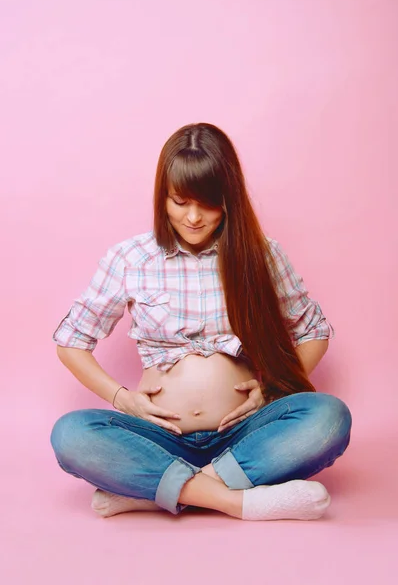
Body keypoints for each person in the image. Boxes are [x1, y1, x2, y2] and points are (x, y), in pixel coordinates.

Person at [50, 122, 352, 521]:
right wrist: (123, 400)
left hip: (244, 435)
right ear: (163, 198)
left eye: (208, 204)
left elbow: (313, 331)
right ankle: (234, 500)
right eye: (179, 201)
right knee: (71, 434)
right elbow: (71, 340)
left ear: (229, 200)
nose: (193, 217)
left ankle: (157, 490)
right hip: (158, 438)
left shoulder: (261, 255)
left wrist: (272, 388)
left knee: (329, 417)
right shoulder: (130, 258)